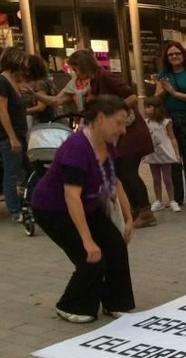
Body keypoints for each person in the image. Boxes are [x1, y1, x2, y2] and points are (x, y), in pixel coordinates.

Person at [30, 95, 135, 323]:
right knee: (92, 257)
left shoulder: (108, 144)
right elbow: (71, 196)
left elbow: (116, 181)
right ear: (99, 118)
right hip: (54, 210)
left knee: (115, 246)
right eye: (118, 123)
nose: (122, 130)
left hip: (89, 203)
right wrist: (87, 240)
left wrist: (129, 218)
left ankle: (116, 302)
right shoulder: (76, 147)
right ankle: (70, 305)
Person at [37, 50, 156, 228]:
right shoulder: (94, 80)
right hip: (119, 133)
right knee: (122, 171)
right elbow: (57, 100)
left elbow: (130, 96)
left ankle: (145, 210)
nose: (76, 73)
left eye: (77, 68)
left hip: (130, 133)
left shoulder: (105, 76)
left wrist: (114, 111)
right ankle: (136, 209)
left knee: (127, 170)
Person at [154, 41, 186, 208]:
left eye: (177, 53)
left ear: (183, 55)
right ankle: (177, 196)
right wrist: (161, 91)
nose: (174, 57)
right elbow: (156, 99)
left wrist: (174, 93)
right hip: (169, 120)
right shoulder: (163, 75)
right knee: (173, 158)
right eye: (170, 55)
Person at [0, 47, 28, 222]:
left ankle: (26, 202)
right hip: (10, 135)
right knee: (12, 172)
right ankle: (15, 210)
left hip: (20, 133)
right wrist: (11, 137)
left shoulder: (11, 81)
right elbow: (2, 111)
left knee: (29, 168)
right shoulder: (2, 81)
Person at [143, 97, 181, 213]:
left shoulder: (166, 122)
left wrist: (176, 153)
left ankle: (172, 200)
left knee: (168, 178)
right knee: (156, 179)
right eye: (145, 107)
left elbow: (172, 137)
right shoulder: (146, 122)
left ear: (156, 108)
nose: (145, 110)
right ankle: (158, 200)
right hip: (152, 154)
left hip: (165, 153)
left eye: (148, 107)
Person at [22, 55, 56, 127]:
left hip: (41, 122)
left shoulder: (40, 83)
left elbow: (40, 107)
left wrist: (23, 112)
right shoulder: (43, 81)